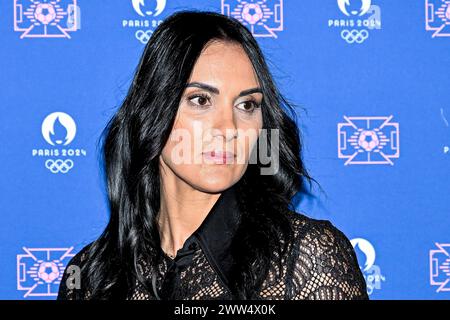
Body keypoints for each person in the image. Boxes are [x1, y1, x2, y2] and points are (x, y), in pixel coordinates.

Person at [57, 10, 368, 300]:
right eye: (201, 100)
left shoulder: (306, 258)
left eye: (247, 105)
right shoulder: (90, 277)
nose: (228, 127)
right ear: (152, 112)